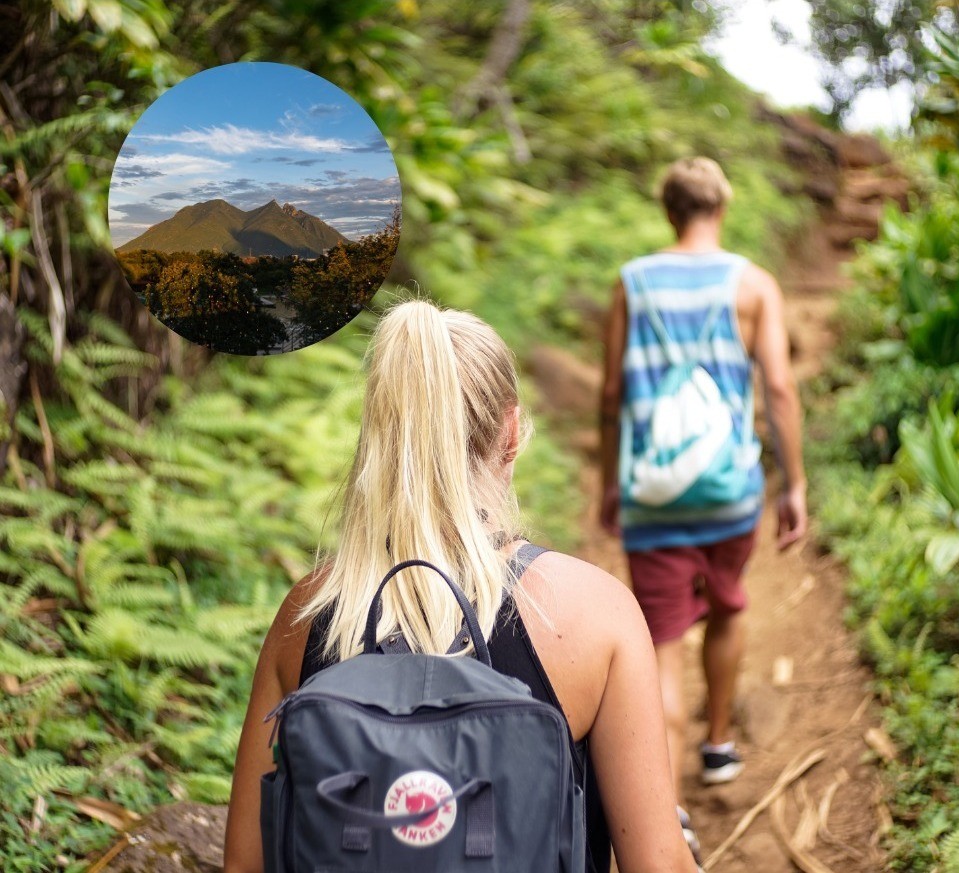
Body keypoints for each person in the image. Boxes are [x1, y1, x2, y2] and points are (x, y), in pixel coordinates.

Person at [223, 300, 700, 873]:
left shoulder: (306, 619)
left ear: (379, 435)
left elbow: (246, 865)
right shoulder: (593, 613)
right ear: (511, 433)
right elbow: (657, 865)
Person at [599, 157, 808, 827]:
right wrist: (794, 483)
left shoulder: (631, 282)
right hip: (730, 491)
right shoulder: (754, 285)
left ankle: (668, 808)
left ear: (669, 211)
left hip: (653, 491)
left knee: (659, 640)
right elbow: (778, 387)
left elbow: (611, 395)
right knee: (727, 608)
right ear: (722, 207)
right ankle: (718, 745)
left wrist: (611, 480)